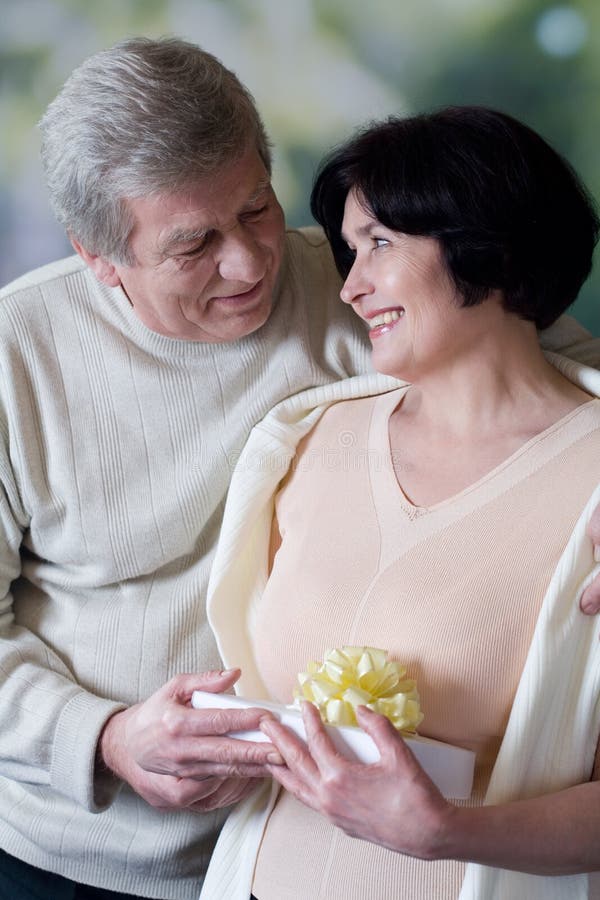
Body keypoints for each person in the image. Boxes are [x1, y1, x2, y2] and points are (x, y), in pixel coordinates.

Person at [0, 36, 375, 900]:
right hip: (68, 858)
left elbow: (556, 377)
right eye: (193, 244)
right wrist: (105, 737)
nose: (247, 264)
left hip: (317, 853)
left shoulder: (369, 287)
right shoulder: (19, 352)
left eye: (255, 210)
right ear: (99, 260)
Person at [201, 107, 600, 900]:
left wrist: (449, 831)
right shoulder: (306, 441)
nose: (351, 287)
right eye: (351, 252)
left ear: (487, 239)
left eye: (378, 243)